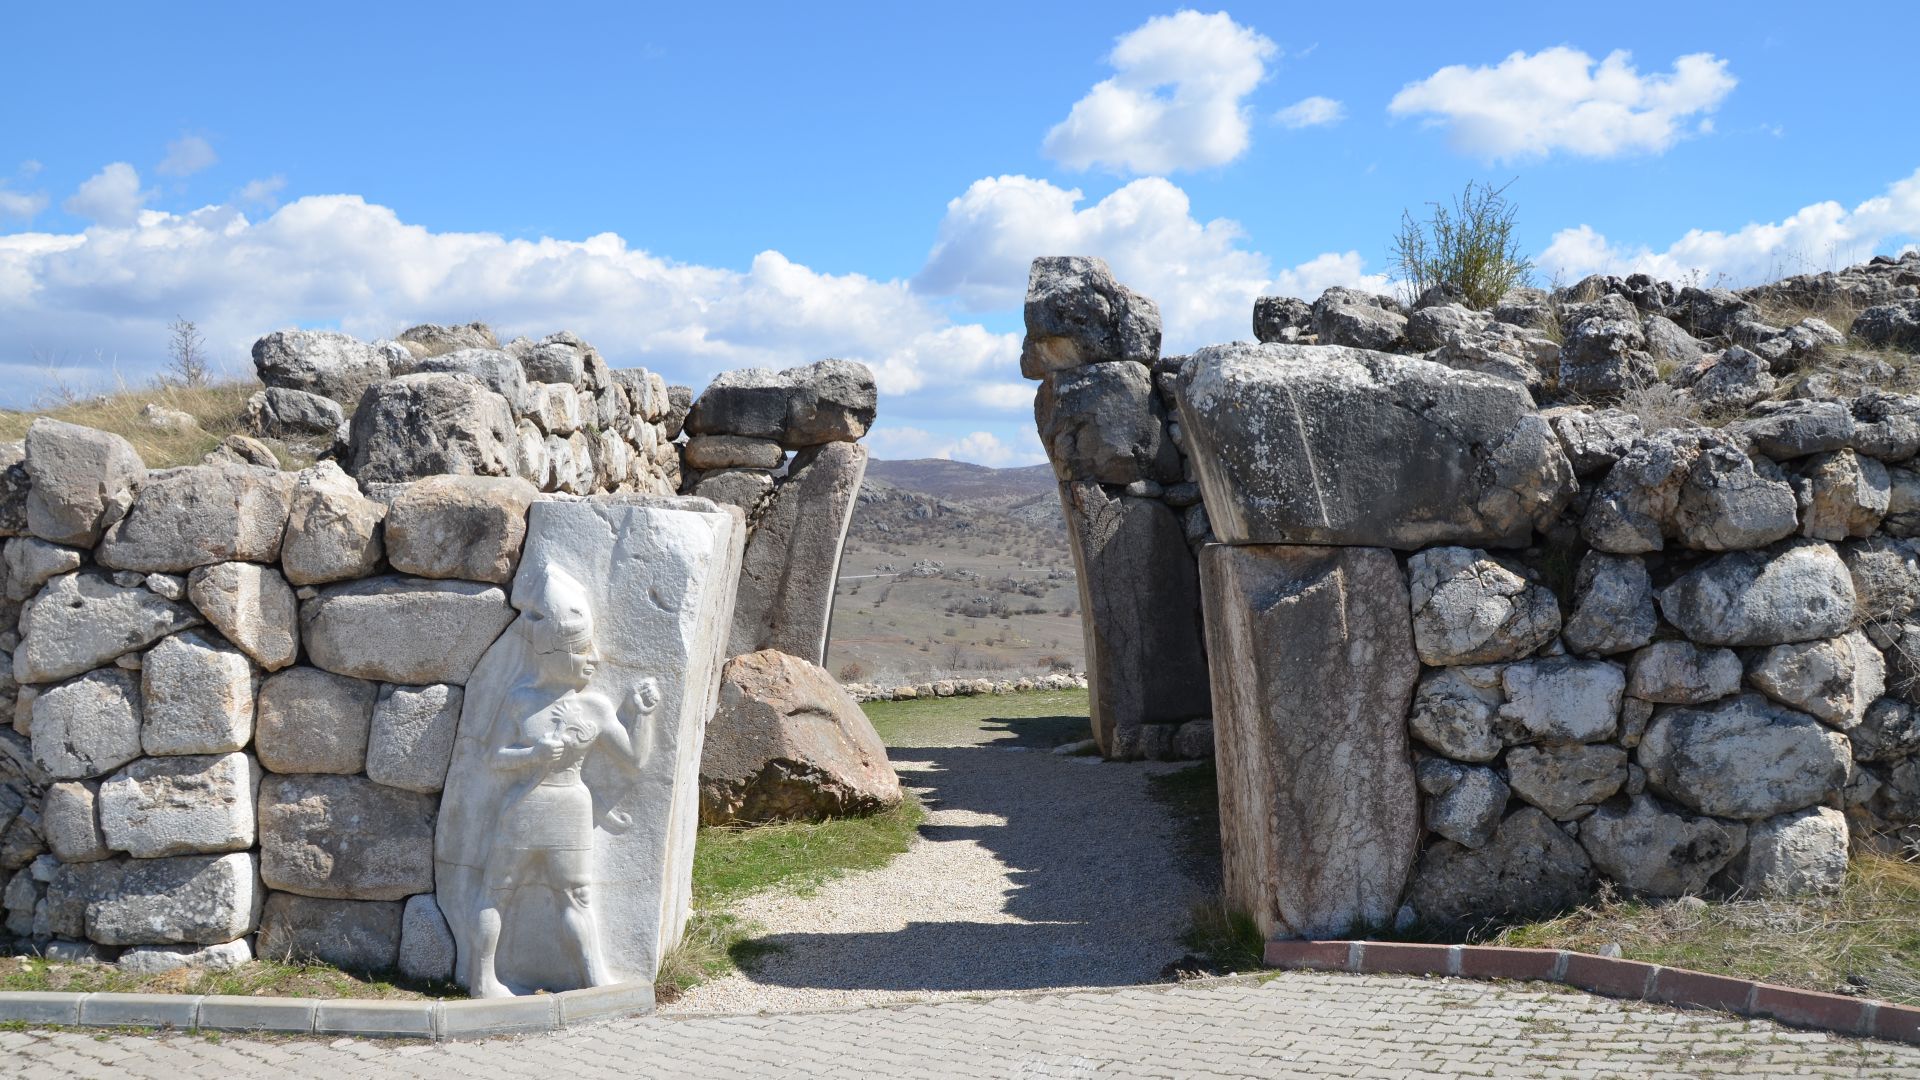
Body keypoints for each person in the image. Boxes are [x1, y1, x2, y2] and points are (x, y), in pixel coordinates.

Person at [466, 566, 658, 998]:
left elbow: (633, 758)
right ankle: (482, 981)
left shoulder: (594, 705)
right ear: (553, 654)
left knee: (577, 896)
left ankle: (594, 978)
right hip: (525, 806)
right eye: (582, 650)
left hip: (571, 808)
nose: (594, 659)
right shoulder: (520, 701)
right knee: (497, 891)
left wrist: (640, 713)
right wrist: (533, 755)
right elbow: (492, 757)